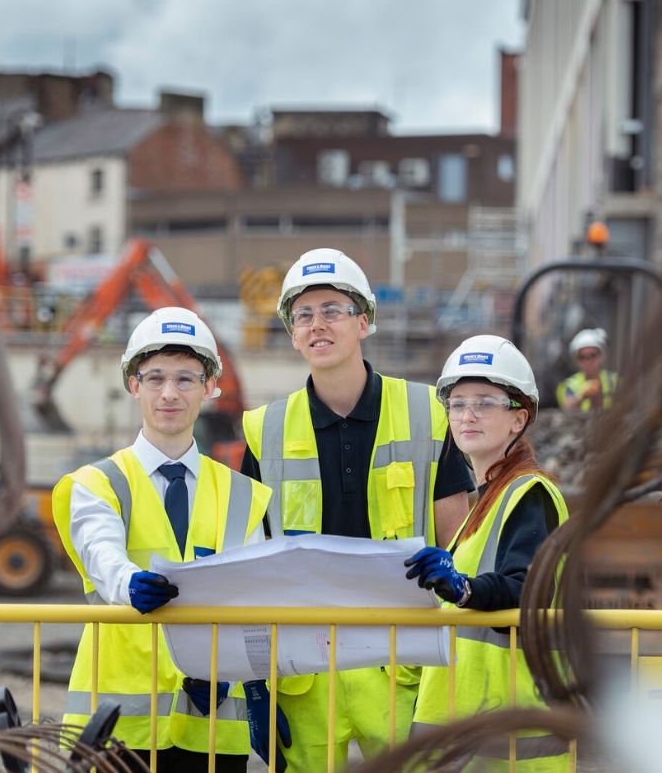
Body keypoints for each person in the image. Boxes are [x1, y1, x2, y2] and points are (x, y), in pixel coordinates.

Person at [238, 248, 474, 771]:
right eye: (303, 315)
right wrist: (255, 678)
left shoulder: (428, 414)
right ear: (292, 332)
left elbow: (460, 545)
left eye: (332, 310)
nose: (317, 325)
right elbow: (250, 561)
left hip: (400, 662)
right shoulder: (264, 429)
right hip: (303, 669)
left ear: (363, 322)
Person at [52, 307, 272, 773]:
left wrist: (244, 681)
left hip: (211, 727)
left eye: (185, 379)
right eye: (155, 379)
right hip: (116, 731)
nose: (169, 394)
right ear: (133, 385)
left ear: (210, 387)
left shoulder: (242, 495)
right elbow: (101, 553)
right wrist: (131, 583)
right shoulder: (97, 484)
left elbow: (250, 597)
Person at [405, 334, 570, 772]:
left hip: (503, 733)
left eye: (484, 402)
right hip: (464, 723)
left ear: (519, 419)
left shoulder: (530, 495)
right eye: (457, 404)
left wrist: (463, 590)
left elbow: (524, 587)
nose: (467, 415)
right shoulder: (485, 504)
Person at [557, 327, 618, 412]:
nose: (588, 361)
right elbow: (567, 409)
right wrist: (580, 397)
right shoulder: (569, 386)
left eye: (592, 355)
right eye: (582, 357)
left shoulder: (615, 382)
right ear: (576, 360)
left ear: (601, 356)